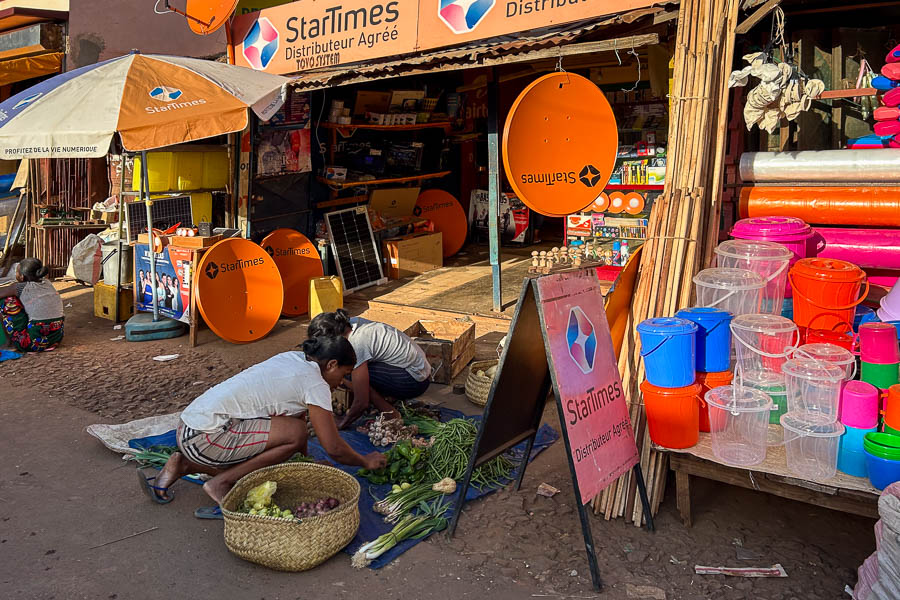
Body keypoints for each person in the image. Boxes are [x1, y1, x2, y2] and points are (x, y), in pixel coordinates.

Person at [142, 336, 387, 505]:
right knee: (295, 433)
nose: (341, 383)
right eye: (343, 374)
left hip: (189, 430)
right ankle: (221, 483)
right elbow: (334, 447)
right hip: (209, 438)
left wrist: (306, 462)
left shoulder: (293, 359)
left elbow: (293, 416)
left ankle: (184, 465)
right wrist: (365, 461)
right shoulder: (315, 383)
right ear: (331, 364)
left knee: (281, 444)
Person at [308, 309, 431, 429]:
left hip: (414, 381)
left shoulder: (356, 342)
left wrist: (343, 422)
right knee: (350, 371)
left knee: (346, 373)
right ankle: (388, 398)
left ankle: (390, 413)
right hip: (418, 372)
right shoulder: (350, 324)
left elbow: (362, 402)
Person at [0, 258, 64, 352]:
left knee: (7, 301)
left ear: (22, 277)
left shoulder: (20, 287)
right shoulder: (47, 282)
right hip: (56, 338)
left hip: (32, 344)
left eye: (16, 272)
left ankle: (9, 343)